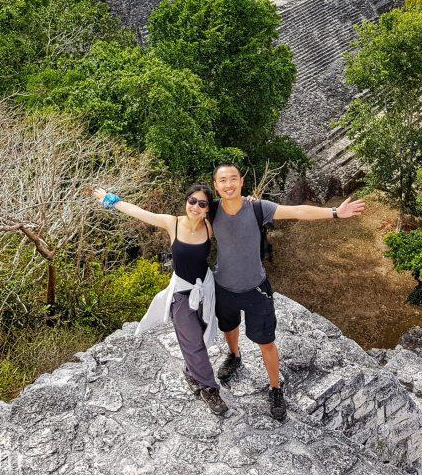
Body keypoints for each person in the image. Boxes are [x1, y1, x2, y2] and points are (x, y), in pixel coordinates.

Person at [210, 163, 366, 421]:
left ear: (242, 182)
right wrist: (120, 205)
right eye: (223, 180)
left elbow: (298, 211)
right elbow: (179, 220)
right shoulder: (212, 211)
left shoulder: (258, 208)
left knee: (266, 341)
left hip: (255, 288)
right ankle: (234, 355)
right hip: (224, 286)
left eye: (233, 179)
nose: (228, 184)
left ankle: (275, 387)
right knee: (229, 326)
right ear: (216, 186)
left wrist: (336, 212)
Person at [92, 184, 228, 415]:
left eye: (202, 203)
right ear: (187, 201)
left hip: (204, 288)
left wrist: (252, 203)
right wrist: (110, 199)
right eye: (192, 201)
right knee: (192, 341)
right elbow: (140, 213)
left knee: (204, 332)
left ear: (208, 209)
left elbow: (234, 211)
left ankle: (191, 371)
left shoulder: (209, 227)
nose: (195, 207)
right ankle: (209, 388)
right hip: (181, 292)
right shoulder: (172, 223)